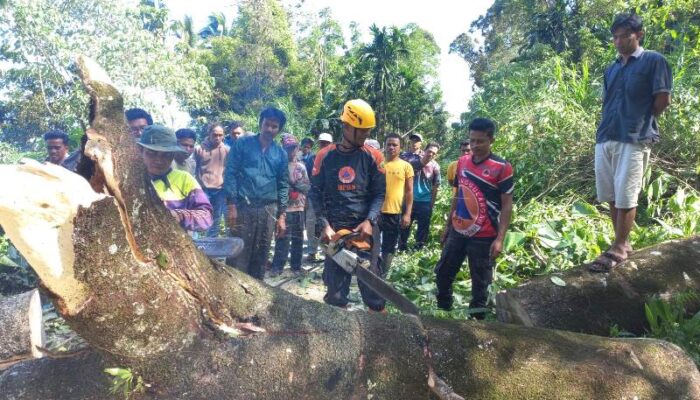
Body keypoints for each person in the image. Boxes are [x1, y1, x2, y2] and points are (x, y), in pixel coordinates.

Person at [589, 14, 672, 272]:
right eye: (615, 36)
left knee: (626, 192)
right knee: (611, 194)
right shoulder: (611, 68)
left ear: (639, 34)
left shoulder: (653, 61)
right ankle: (620, 243)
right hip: (606, 136)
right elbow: (608, 102)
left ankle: (621, 246)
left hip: (634, 136)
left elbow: (662, 100)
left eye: (625, 35)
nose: (619, 41)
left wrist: (641, 122)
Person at [309, 99, 386, 312]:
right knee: (335, 292)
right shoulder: (325, 156)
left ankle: (382, 333)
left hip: (364, 229)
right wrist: (324, 225)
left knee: (374, 290)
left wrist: (370, 221)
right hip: (335, 229)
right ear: (346, 127)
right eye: (361, 132)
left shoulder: (373, 156)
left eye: (367, 132)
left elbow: (380, 194)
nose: (364, 136)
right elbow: (315, 193)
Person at [434, 118, 513, 320]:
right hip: (458, 230)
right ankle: (443, 313)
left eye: (480, 141)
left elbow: (506, 205)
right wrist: (447, 226)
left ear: (491, 139)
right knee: (442, 273)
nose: (475, 146)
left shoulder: (502, 168)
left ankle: (476, 327)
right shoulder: (462, 163)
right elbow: (458, 194)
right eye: (472, 141)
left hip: (484, 236)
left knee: (480, 284)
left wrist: (500, 239)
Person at [224, 107, 289, 280]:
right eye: (267, 124)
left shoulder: (280, 154)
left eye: (274, 127)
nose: (269, 129)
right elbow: (230, 173)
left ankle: (255, 294)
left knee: (261, 255)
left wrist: (282, 216)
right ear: (260, 123)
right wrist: (231, 205)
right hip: (243, 207)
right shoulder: (242, 145)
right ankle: (233, 292)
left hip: (268, 210)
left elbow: (283, 185)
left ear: (279, 130)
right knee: (237, 253)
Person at [137, 125, 213, 232]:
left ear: (173, 154)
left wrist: (181, 215)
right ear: (141, 150)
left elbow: (206, 216)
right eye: (152, 153)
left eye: (166, 155)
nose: (159, 160)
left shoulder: (185, 179)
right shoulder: (130, 179)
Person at [270, 135, 311, 277]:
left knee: (298, 239)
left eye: (293, 148)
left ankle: (296, 266)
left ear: (297, 148)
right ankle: (277, 266)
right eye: (287, 148)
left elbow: (307, 187)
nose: (291, 151)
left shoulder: (301, 167)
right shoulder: (279, 166)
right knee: (282, 238)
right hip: (284, 208)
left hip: (298, 207)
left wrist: (294, 183)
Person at [379, 133, 413, 271]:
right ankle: (371, 271)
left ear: (400, 147)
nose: (391, 147)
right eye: (389, 144)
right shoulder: (378, 164)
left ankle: (383, 274)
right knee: (371, 244)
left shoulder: (406, 166)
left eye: (395, 145)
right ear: (384, 146)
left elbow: (409, 192)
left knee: (389, 246)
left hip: (394, 213)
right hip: (376, 212)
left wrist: (407, 214)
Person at [398, 142, 441, 250]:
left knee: (423, 228)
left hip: (425, 201)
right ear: (424, 150)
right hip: (410, 200)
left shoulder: (435, 166)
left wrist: (431, 203)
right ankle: (401, 247)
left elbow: (436, 186)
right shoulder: (414, 162)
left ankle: (418, 248)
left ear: (436, 155)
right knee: (404, 225)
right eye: (429, 151)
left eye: (434, 153)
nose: (431, 154)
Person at [194, 122, 230, 237]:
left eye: (220, 135)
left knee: (215, 221)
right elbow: (194, 168)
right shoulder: (199, 149)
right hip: (204, 190)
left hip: (220, 191)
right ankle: (195, 246)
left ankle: (211, 251)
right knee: (198, 219)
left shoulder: (227, 150)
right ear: (209, 134)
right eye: (215, 135)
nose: (218, 138)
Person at [300, 137, 323, 262]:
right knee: (311, 225)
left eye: (327, 144)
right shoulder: (312, 159)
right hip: (313, 197)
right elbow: (306, 179)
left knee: (325, 226)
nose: (324, 146)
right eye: (322, 143)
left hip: (328, 200)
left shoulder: (335, 159)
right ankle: (312, 252)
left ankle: (328, 254)